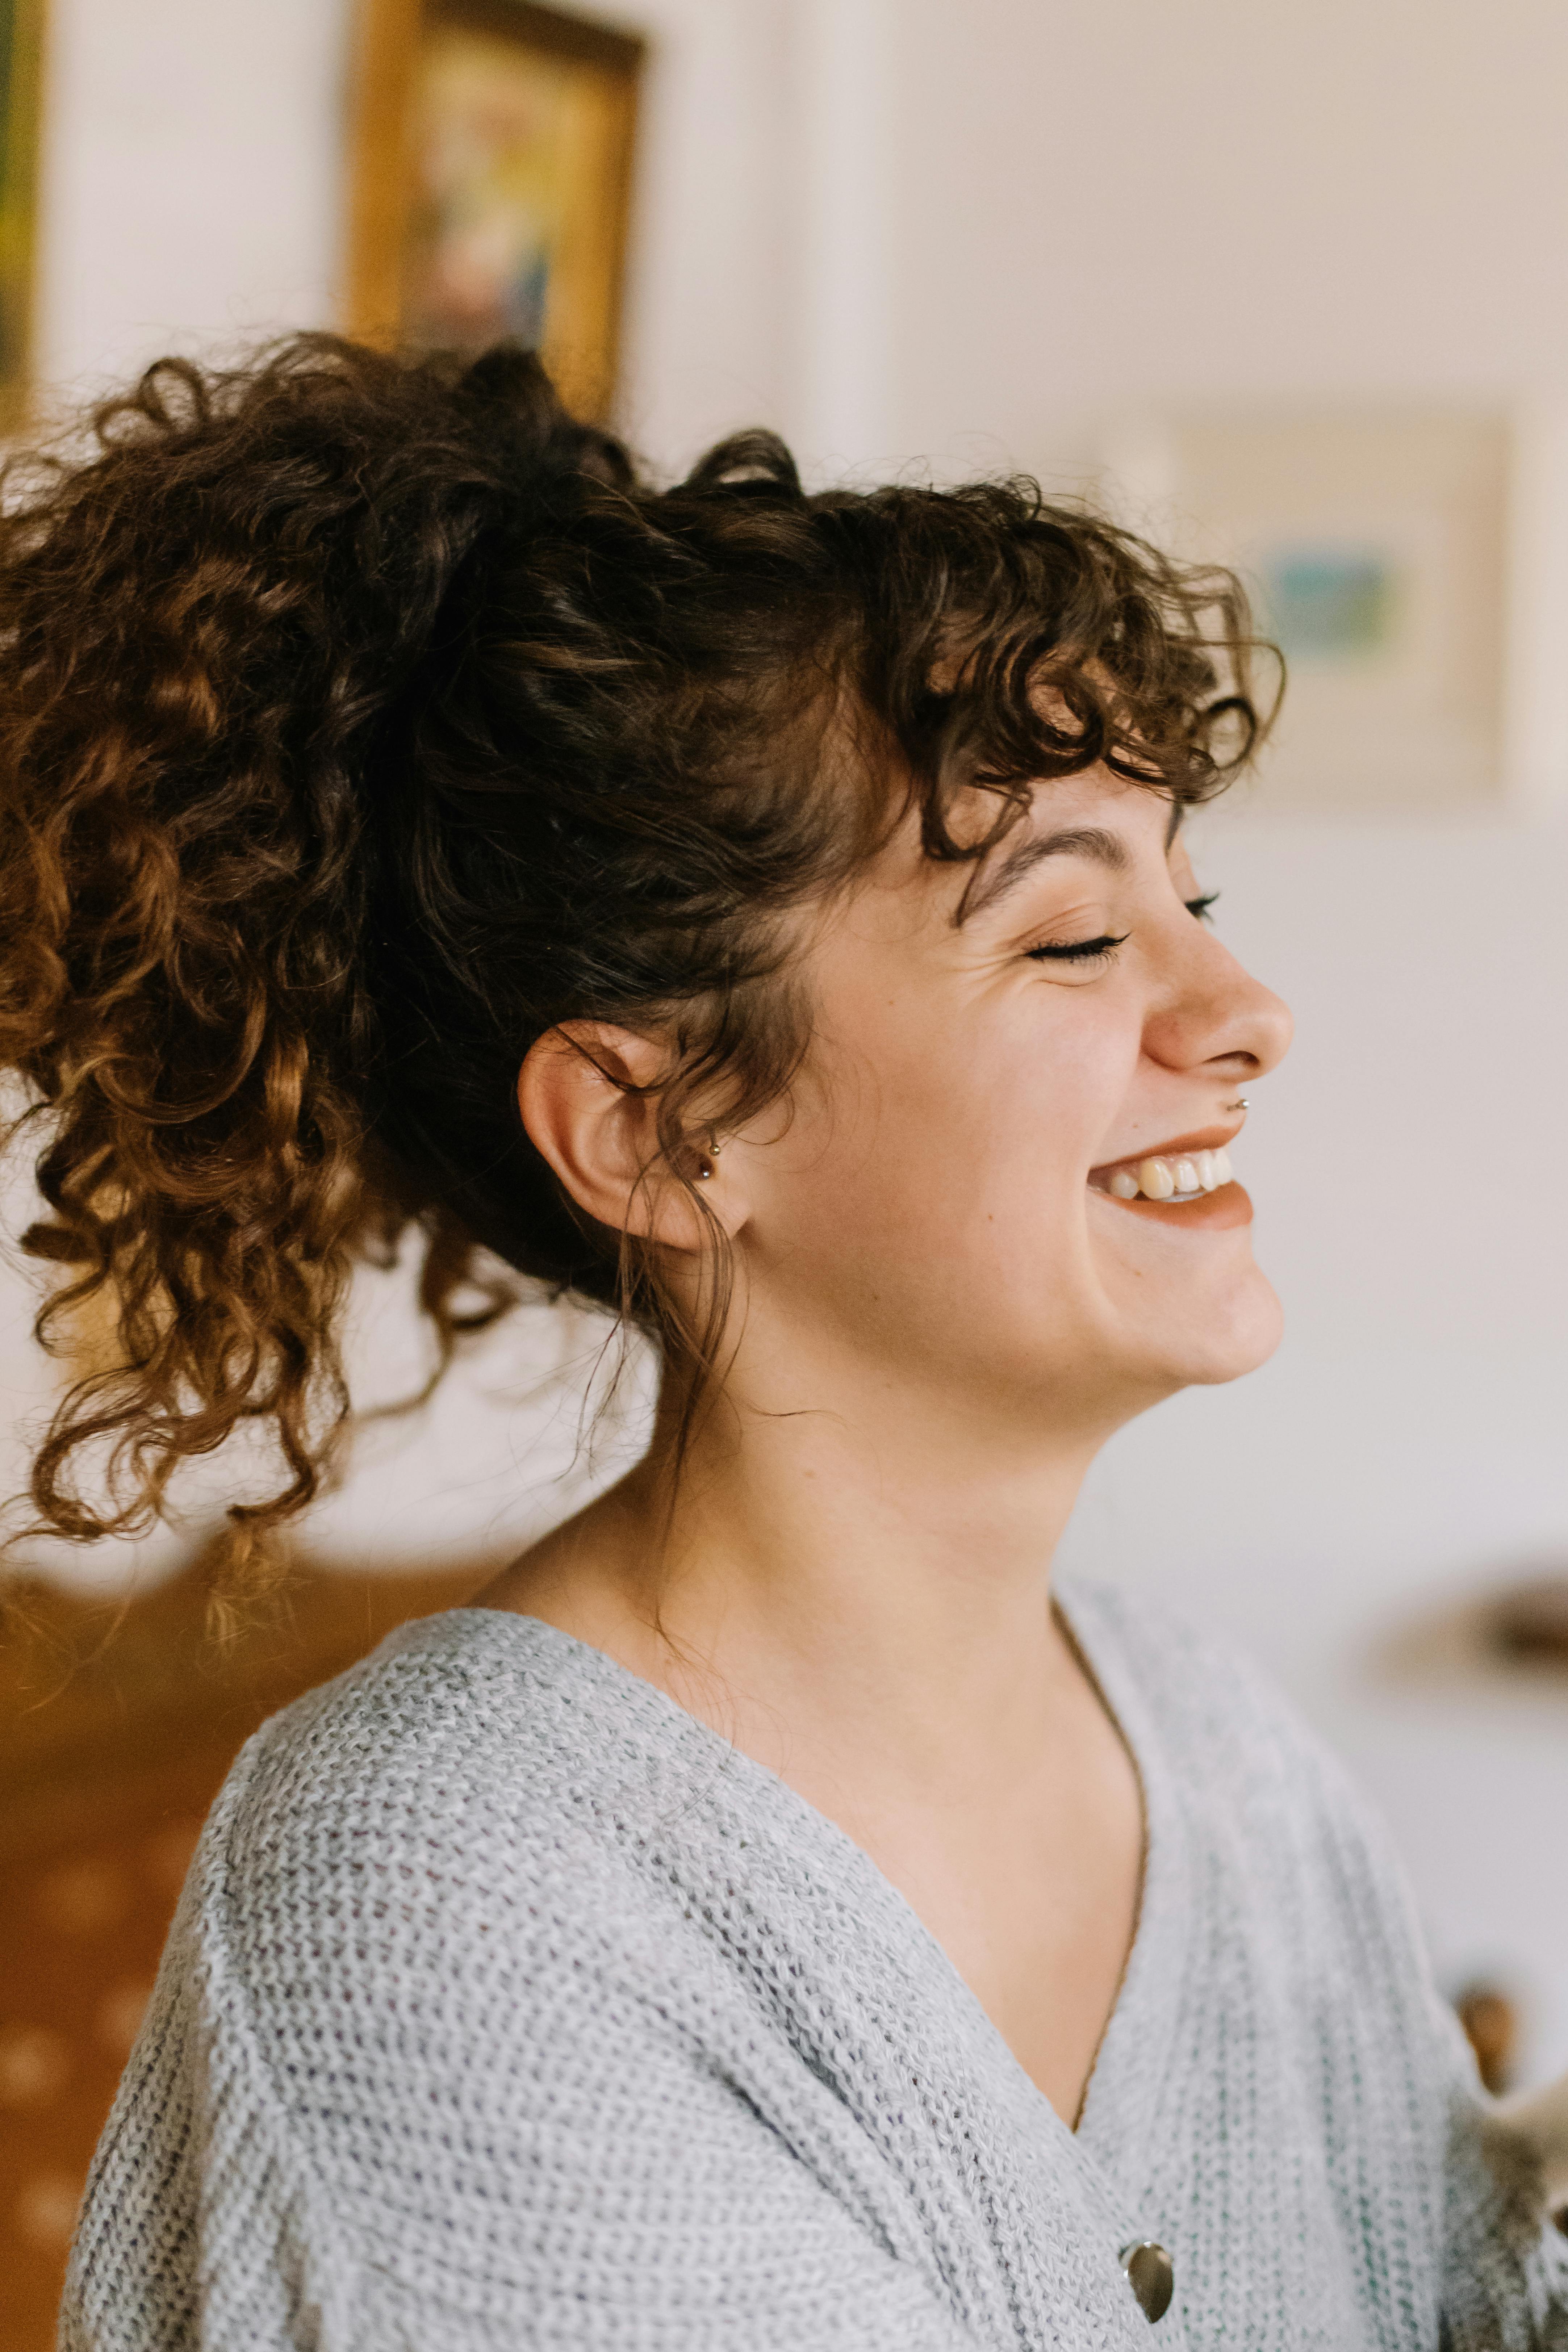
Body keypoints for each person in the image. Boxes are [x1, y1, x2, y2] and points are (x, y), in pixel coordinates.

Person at [3, 336, 1557, 2350]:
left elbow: (1442, 2295)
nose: (1243, 1008)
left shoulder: (1211, 1751)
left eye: (1194, 897)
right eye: (1075, 936)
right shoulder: (433, 1909)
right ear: (661, 1130)